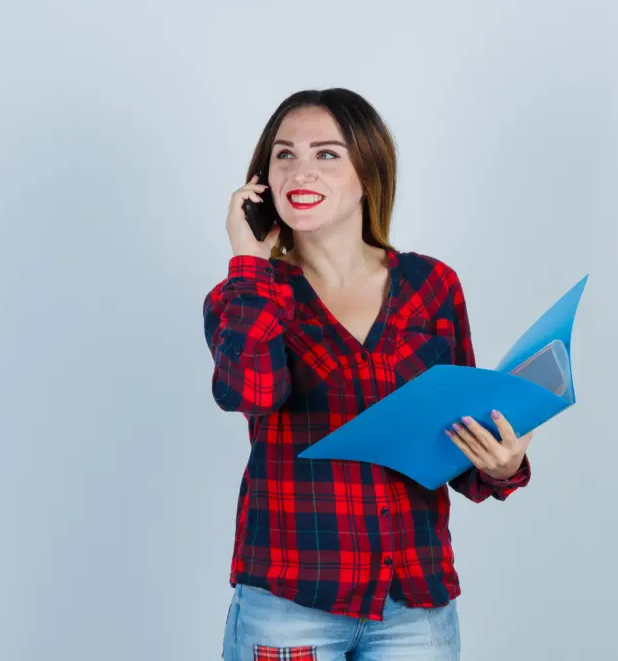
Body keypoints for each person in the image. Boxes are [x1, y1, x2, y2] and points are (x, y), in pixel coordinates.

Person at [202, 88, 533, 661]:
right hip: (289, 603)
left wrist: (503, 468)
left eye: (326, 154)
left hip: (414, 603)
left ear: (367, 173)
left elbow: (458, 440)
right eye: (285, 154)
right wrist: (250, 262)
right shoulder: (247, 294)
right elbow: (249, 392)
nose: (301, 169)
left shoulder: (432, 286)